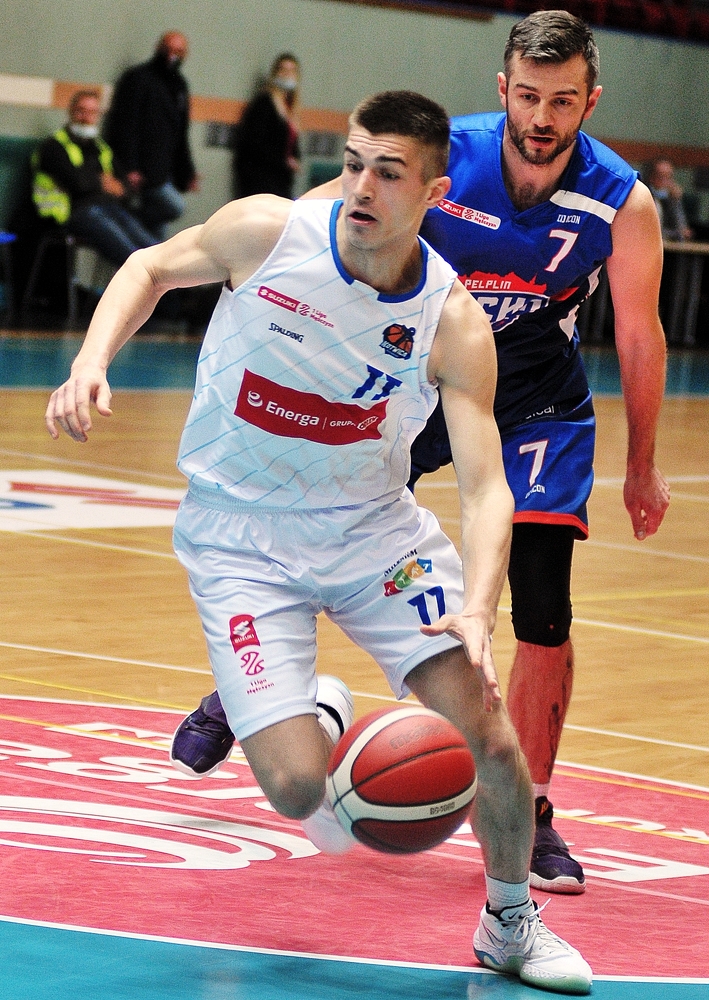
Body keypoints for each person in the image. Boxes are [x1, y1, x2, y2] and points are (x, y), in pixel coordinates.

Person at [46, 90, 592, 994]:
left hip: (376, 538)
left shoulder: (451, 321)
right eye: (352, 164)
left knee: (490, 738)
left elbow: (485, 486)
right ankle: (320, 707)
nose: (361, 187)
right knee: (298, 790)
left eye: (388, 173)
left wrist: (477, 608)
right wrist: (89, 361)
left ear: (434, 192)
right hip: (240, 539)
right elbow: (147, 267)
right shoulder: (267, 232)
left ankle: (508, 923)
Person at [169, 11, 671, 898]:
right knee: (338, 523)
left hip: (535, 393)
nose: (541, 116)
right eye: (527, 95)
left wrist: (641, 463)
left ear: (590, 101)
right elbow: (320, 220)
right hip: (418, 375)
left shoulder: (620, 202)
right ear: (502, 89)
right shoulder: (442, 162)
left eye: (562, 100)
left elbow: (638, 332)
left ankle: (532, 810)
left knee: (542, 601)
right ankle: (262, 695)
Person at [31, 89, 158, 266]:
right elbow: (78, 183)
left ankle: (172, 281)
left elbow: (125, 187)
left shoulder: (101, 148)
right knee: (134, 259)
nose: (86, 117)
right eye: (81, 111)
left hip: (110, 208)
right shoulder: (53, 146)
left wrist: (116, 186)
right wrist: (104, 182)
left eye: (92, 112)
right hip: (73, 214)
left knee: (156, 251)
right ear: (71, 112)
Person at [104, 31, 199, 240]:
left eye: (179, 51)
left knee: (156, 237)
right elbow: (125, 124)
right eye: (168, 49)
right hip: (143, 169)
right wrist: (130, 166)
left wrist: (187, 172)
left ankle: (145, 254)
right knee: (174, 207)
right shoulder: (138, 78)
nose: (172, 55)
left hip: (164, 168)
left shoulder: (179, 85)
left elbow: (181, 132)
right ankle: (125, 221)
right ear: (158, 47)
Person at [233, 53, 302, 199]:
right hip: (261, 179)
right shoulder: (264, 103)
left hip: (280, 180)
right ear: (275, 73)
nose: (288, 75)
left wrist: (294, 159)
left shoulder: (290, 109)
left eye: (292, 71)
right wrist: (284, 162)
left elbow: (292, 144)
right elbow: (254, 143)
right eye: (283, 70)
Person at [646, 159, 693, 241]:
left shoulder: (671, 199)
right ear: (651, 177)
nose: (665, 181)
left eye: (669, 177)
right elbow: (652, 231)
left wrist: (676, 201)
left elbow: (682, 229)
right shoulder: (645, 198)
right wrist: (677, 234)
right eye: (661, 176)